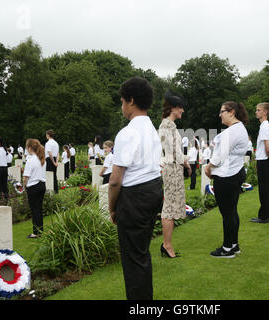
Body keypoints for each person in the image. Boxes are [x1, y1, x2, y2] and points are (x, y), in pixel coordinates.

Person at [108, 77, 163, 300]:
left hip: (134, 197)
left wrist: (112, 207)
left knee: (132, 260)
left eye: (122, 101)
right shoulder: (151, 128)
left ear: (130, 100)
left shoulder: (127, 133)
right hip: (153, 190)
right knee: (141, 254)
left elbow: (114, 180)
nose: (121, 106)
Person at [205, 101, 248, 258]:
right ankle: (234, 244)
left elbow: (219, 156)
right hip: (235, 172)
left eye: (222, 111)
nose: (219, 114)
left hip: (227, 176)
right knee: (232, 211)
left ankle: (227, 248)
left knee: (228, 213)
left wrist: (208, 167)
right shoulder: (239, 129)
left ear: (231, 112)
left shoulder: (232, 132)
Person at [158, 89, 191, 259]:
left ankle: (167, 244)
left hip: (175, 169)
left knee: (171, 207)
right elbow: (172, 152)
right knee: (169, 208)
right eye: (181, 108)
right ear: (173, 108)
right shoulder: (165, 126)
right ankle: (166, 245)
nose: (183, 111)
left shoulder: (171, 126)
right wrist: (187, 159)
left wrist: (184, 162)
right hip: (171, 170)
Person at [250, 102, 269, 224]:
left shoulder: (265, 127)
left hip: (265, 161)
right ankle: (264, 215)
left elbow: (267, 148)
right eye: (256, 110)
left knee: (264, 190)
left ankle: (264, 217)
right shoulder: (264, 126)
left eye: (258, 110)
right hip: (262, 161)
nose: (256, 112)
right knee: (264, 189)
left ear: (265, 112)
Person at [23, 139, 47, 239]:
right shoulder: (41, 158)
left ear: (29, 148)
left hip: (33, 187)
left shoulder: (31, 160)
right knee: (39, 209)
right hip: (42, 185)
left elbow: (26, 177)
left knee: (34, 210)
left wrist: (23, 186)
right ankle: (40, 230)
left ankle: (36, 232)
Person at [45, 129, 59, 194]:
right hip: (55, 159)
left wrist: (53, 162)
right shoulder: (56, 143)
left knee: (49, 175)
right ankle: (56, 191)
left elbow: (50, 154)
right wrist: (56, 162)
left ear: (48, 135)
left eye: (46, 135)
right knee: (54, 175)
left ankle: (49, 190)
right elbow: (58, 154)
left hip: (49, 160)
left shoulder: (48, 143)